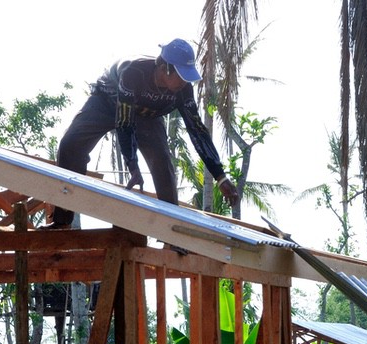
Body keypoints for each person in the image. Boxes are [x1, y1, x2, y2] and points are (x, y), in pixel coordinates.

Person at [42, 38, 240, 229]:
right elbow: (124, 122)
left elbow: (197, 130)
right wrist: (132, 166)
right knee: (70, 145)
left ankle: (171, 232)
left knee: (162, 161)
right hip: (107, 103)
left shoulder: (183, 89)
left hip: (148, 115)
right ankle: (62, 220)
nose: (184, 82)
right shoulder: (133, 72)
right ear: (165, 68)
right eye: (181, 75)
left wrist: (220, 176)